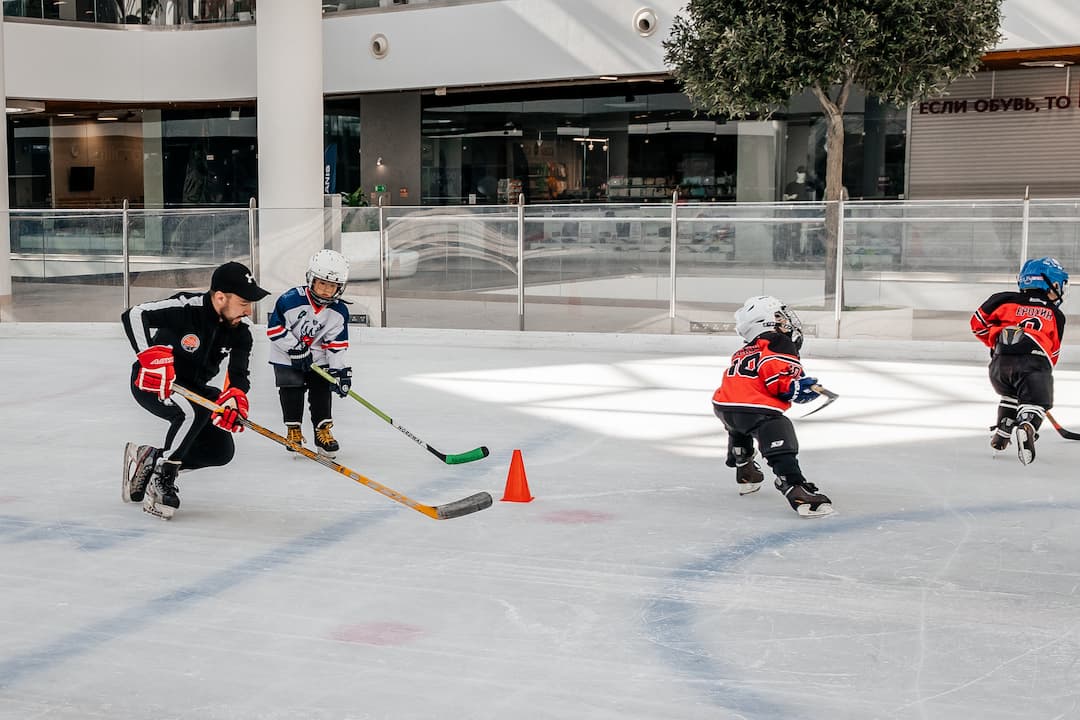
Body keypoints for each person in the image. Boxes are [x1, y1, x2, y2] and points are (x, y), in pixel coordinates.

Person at [121, 260, 270, 519]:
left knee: (221, 452)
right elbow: (134, 315)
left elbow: (238, 376)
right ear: (221, 297)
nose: (248, 311)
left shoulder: (242, 332)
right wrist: (150, 359)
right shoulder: (185, 308)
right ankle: (161, 481)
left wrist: (234, 399)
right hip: (153, 383)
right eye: (244, 303)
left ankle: (151, 458)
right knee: (193, 413)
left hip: (194, 389)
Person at [712, 296, 834, 518]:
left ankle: (745, 467)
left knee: (741, 427)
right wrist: (797, 388)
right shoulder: (778, 342)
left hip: (724, 405)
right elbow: (778, 380)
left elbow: (752, 379)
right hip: (753, 407)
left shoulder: (746, 349)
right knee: (776, 427)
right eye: (779, 317)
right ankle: (794, 486)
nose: (785, 322)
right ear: (765, 322)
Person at [970, 257, 1068, 465]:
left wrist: (997, 341)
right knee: (1034, 404)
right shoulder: (1055, 314)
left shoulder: (1003, 300)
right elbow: (1053, 353)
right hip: (1034, 362)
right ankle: (1027, 426)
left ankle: (1003, 432)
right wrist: (1041, 383)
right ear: (1048, 283)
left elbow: (976, 323)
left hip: (999, 364)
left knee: (1010, 394)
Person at [266, 249, 353, 458]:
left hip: (317, 358)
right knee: (291, 389)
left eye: (331, 286)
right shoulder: (290, 300)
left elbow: (336, 344)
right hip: (286, 357)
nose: (325, 290)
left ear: (339, 287)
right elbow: (275, 329)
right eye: (322, 283)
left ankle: (322, 430)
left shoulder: (339, 312)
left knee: (321, 389)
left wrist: (339, 372)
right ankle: (293, 429)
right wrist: (295, 349)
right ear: (311, 279)